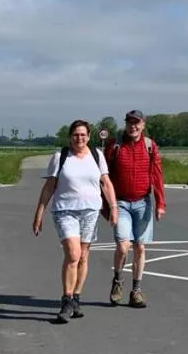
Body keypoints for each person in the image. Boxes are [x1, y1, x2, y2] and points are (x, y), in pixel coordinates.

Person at [32, 120, 117, 323]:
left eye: (83, 135)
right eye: (76, 135)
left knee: (83, 256)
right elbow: (49, 186)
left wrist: (113, 207)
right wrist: (39, 213)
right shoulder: (60, 157)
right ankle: (66, 299)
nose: (79, 138)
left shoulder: (97, 155)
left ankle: (76, 297)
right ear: (70, 137)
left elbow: (106, 183)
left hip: (90, 211)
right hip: (65, 211)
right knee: (73, 254)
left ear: (89, 136)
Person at [102, 109, 165, 308]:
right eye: (129, 122)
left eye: (136, 123)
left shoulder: (149, 146)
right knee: (123, 246)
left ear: (143, 125)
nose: (133, 126)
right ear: (126, 124)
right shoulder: (114, 146)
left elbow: (157, 175)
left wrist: (160, 203)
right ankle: (118, 281)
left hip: (142, 202)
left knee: (140, 247)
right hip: (120, 202)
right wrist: (106, 205)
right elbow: (104, 177)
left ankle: (136, 291)